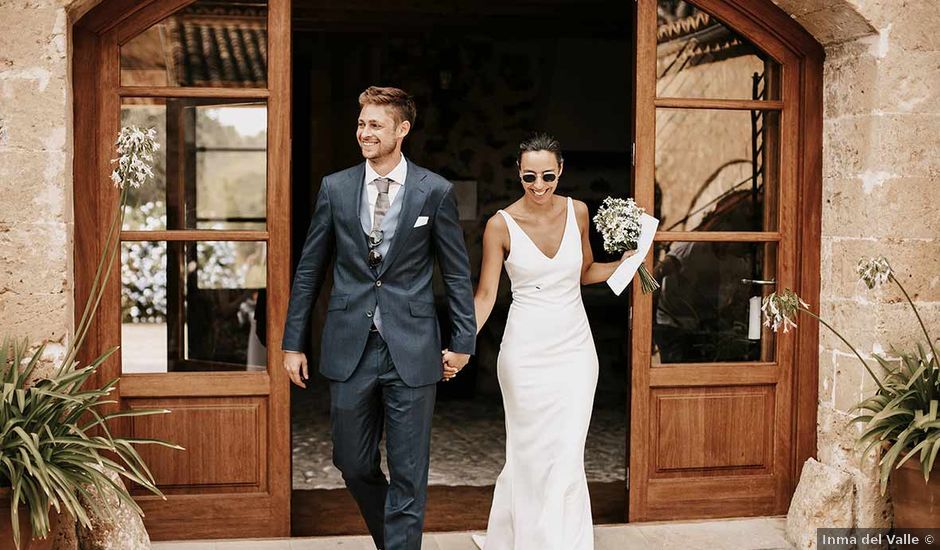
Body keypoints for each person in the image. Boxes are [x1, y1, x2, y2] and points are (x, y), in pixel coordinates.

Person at [281, 86, 476, 550]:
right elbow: (310, 269)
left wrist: (463, 341)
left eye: (375, 125)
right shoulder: (336, 187)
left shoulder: (436, 191)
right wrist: (293, 342)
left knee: (410, 470)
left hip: (413, 346)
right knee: (352, 462)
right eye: (361, 123)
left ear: (402, 130)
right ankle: (395, 540)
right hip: (351, 343)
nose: (364, 133)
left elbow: (456, 272)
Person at [463, 133, 634, 550]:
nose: (538, 186)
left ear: (560, 172)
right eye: (528, 177)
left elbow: (584, 272)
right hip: (524, 353)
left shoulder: (578, 211)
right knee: (529, 452)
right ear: (518, 174)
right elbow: (485, 295)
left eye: (547, 176)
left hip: (575, 349)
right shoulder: (499, 225)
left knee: (568, 451)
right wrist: (459, 343)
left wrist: (625, 262)